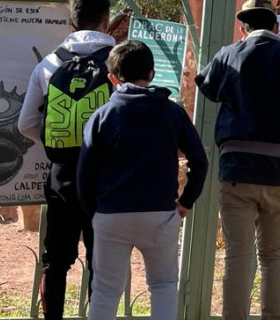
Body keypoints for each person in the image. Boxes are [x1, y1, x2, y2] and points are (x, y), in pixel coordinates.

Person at [195, 0, 280, 320]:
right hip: (278, 171)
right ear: (275, 25)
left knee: (237, 258)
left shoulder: (229, 55)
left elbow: (208, 87)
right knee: (271, 256)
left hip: (237, 169)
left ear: (244, 26)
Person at [77, 40, 208, 320]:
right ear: (151, 74)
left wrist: (94, 212)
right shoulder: (172, 112)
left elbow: (84, 172)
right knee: (162, 286)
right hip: (160, 213)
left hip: (111, 214)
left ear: (113, 78)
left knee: (105, 291)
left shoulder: (102, 115)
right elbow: (200, 160)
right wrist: (185, 203)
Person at [18, 0, 115, 320]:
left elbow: (25, 123)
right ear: (106, 20)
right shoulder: (121, 60)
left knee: (56, 262)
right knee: (101, 263)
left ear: (72, 22)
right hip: (106, 178)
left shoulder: (49, 63)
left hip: (61, 176)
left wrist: (54, 147)